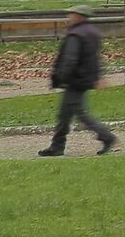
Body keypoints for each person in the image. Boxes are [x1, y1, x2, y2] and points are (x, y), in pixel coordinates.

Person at [39, 13, 116, 156]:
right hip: (83, 78)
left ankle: (107, 137)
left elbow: (70, 59)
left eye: (72, 15)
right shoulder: (92, 33)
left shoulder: (75, 35)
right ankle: (57, 145)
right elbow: (95, 58)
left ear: (79, 17)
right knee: (64, 114)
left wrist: (61, 77)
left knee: (80, 114)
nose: (69, 18)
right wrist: (98, 76)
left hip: (75, 80)